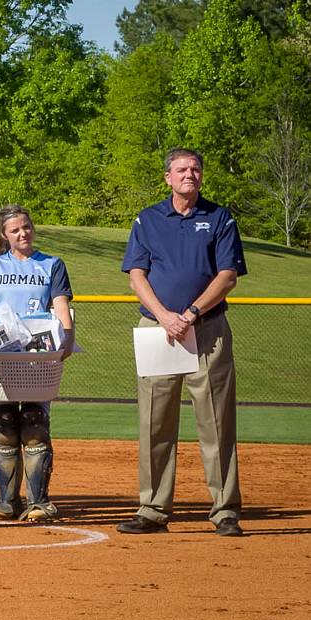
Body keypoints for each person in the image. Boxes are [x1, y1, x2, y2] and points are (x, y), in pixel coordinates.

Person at [119, 148, 246, 537]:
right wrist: (163, 315)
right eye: (181, 169)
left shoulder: (220, 217)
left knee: (216, 421)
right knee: (155, 420)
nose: (189, 174)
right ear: (168, 178)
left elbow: (227, 276)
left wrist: (189, 314)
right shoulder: (149, 219)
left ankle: (224, 509)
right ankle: (153, 508)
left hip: (207, 329)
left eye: (195, 169)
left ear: (201, 177)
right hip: (159, 330)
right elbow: (136, 275)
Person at [0, 204, 75, 523]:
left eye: (26, 227)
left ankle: (39, 500)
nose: (22, 233)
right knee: (2, 424)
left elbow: (60, 306)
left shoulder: (52, 264)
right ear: (4, 235)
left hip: (37, 354)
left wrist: (66, 340)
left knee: (34, 423)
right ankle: (6, 500)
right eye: (14, 230)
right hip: (2, 355)